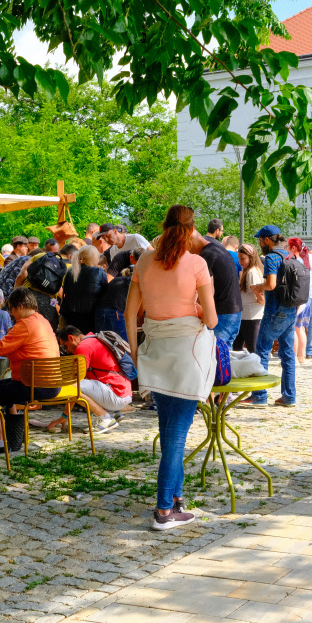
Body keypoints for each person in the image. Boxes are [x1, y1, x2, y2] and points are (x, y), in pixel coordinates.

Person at [125, 205, 216, 530]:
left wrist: (136, 356)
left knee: (169, 434)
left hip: (155, 351)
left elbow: (130, 312)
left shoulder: (146, 260)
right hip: (187, 355)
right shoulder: (196, 263)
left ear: (164, 224)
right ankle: (165, 510)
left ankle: (176, 499)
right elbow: (212, 319)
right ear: (192, 230)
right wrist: (193, 307)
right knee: (175, 438)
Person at [0, 288, 62, 443]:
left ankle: (0, 440)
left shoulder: (25, 325)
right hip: (52, 383)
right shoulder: (42, 320)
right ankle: (15, 435)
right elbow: (23, 351)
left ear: (20, 306)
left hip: (36, 384)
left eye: (12, 309)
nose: (11, 314)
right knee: (2, 386)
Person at [245, 225, 297, 407]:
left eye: (260, 240)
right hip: (291, 309)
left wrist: (259, 286)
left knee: (261, 351)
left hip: (274, 310)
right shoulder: (290, 255)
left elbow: (271, 284)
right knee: (288, 354)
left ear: (267, 240)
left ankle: (259, 396)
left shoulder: (272, 258)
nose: (259, 244)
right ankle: (289, 396)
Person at [58, 325, 132, 433]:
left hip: (116, 394)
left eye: (65, 346)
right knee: (84, 381)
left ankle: (105, 419)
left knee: (69, 385)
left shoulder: (83, 347)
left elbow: (75, 383)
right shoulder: (94, 338)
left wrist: (65, 415)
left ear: (71, 338)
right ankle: (114, 412)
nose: (67, 351)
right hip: (123, 392)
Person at [192, 230, 242, 349]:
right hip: (235, 311)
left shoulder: (206, 255)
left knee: (215, 356)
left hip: (222, 314)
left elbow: (209, 289)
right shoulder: (217, 247)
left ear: (190, 241)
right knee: (225, 356)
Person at [60, 245, 108, 334]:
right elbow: (106, 294)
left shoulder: (71, 271)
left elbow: (65, 292)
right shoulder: (99, 272)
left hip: (71, 315)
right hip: (91, 316)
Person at [287, 237, 312, 362]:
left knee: (293, 328)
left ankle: (293, 357)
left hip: (296, 299)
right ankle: (301, 356)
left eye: (287, 247)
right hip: (306, 297)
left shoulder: (294, 261)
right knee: (300, 328)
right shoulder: (308, 260)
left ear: (293, 248)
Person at [233, 243, 264, 353]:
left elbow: (259, 293)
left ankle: (257, 369)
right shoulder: (249, 271)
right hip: (245, 316)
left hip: (252, 316)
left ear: (251, 257)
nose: (240, 261)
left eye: (243, 258)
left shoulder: (252, 272)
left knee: (253, 349)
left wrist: (263, 304)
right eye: (239, 258)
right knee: (237, 348)